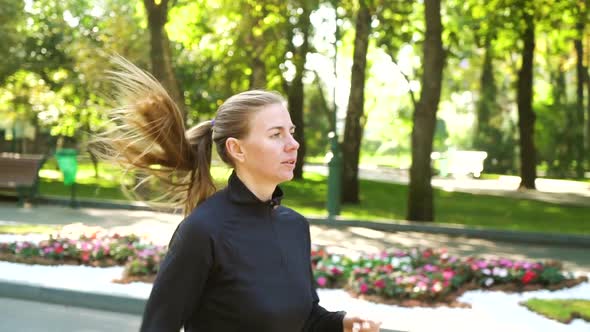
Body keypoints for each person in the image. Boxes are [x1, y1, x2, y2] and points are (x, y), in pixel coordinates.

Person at [95, 57, 381, 332]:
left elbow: (303, 320)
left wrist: (342, 322)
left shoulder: (294, 226)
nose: (293, 144)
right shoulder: (203, 231)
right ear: (237, 149)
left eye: (291, 132)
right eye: (276, 134)